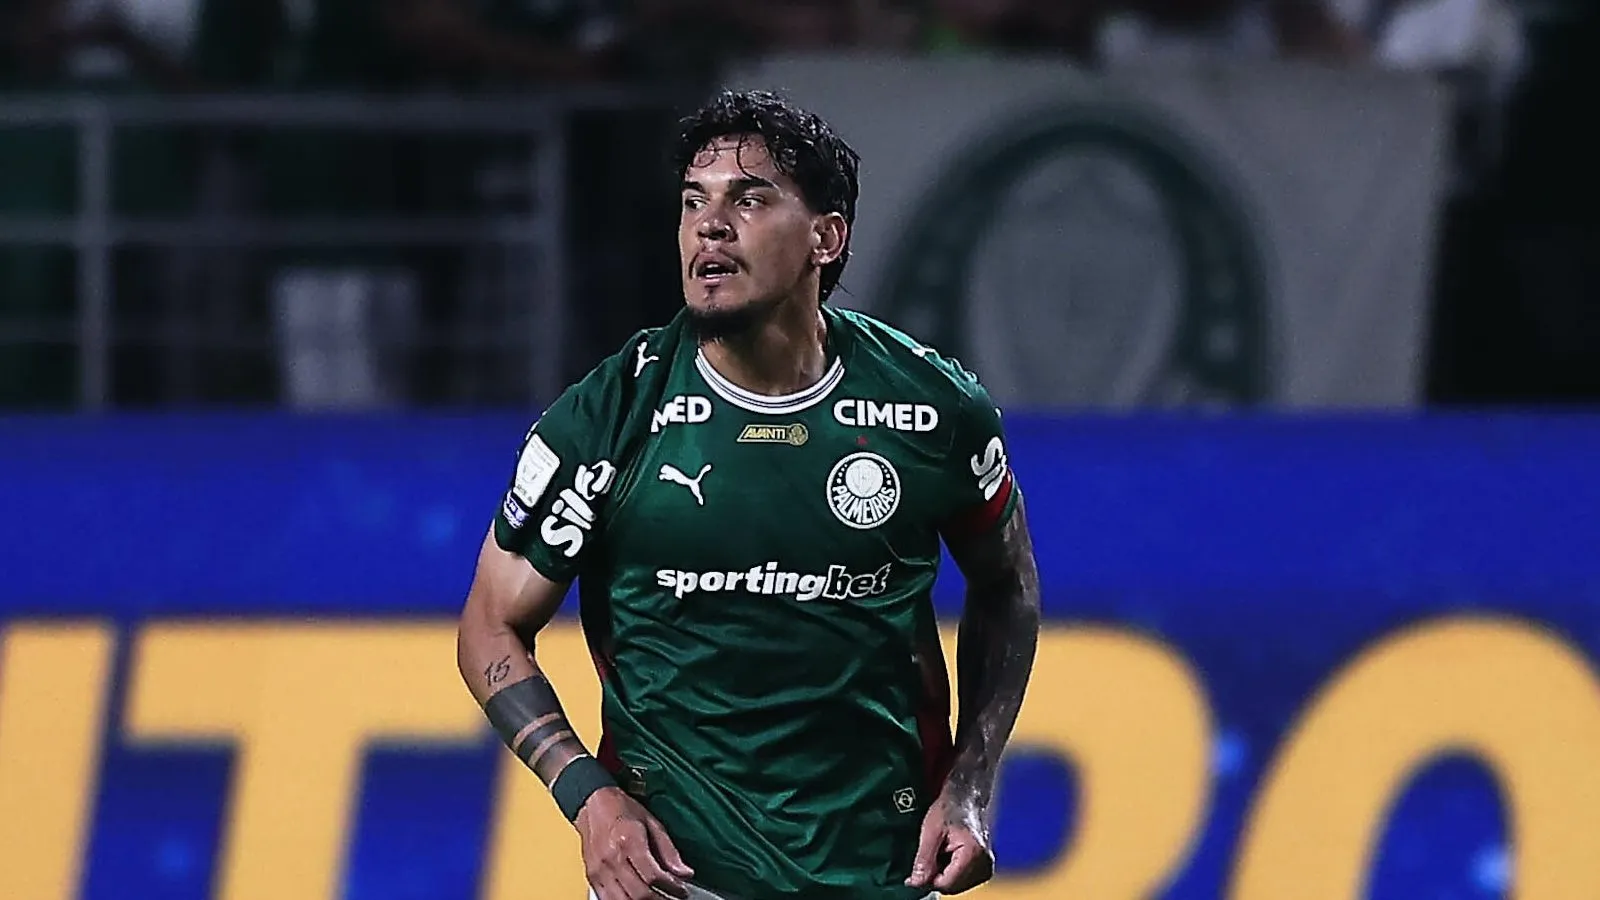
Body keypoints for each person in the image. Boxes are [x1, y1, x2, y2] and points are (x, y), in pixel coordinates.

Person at [456, 89, 1043, 900]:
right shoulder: (610, 417)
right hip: (677, 877)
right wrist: (588, 795)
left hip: (879, 868)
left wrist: (971, 783)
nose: (709, 225)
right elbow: (490, 624)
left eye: (750, 198)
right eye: (694, 201)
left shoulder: (933, 410)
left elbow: (1007, 584)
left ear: (825, 238)